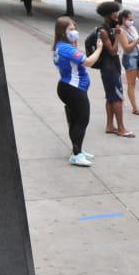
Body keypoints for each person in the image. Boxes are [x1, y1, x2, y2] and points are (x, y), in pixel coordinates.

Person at [53, 16, 104, 166]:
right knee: (82, 121)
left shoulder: (59, 46)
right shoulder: (66, 48)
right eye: (71, 29)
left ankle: (78, 150)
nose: (75, 32)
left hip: (68, 87)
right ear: (62, 31)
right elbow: (88, 61)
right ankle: (76, 155)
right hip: (73, 89)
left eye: (75, 28)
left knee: (75, 121)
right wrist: (99, 48)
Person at [95, 1, 134, 138]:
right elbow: (112, 51)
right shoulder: (104, 31)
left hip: (111, 67)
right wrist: (117, 35)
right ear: (107, 14)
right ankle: (121, 128)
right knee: (117, 98)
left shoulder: (110, 28)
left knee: (111, 97)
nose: (117, 14)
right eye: (114, 12)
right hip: (109, 67)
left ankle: (110, 125)